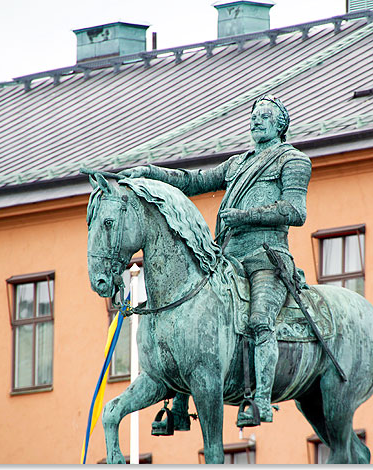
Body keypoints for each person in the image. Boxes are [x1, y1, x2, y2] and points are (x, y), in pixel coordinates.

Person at [120, 95, 311, 426]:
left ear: (281, 125)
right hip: (226, 258)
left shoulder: (293, 160)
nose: (256, 120)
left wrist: (245, 216)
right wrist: (148, 172)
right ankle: (177, 407)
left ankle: (260, 399)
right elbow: (194, 182)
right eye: (253, 115)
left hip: (266, 258)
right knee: (190, 314)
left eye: (265, 116)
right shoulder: (237, 164)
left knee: (259, 321)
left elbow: (296, 211)